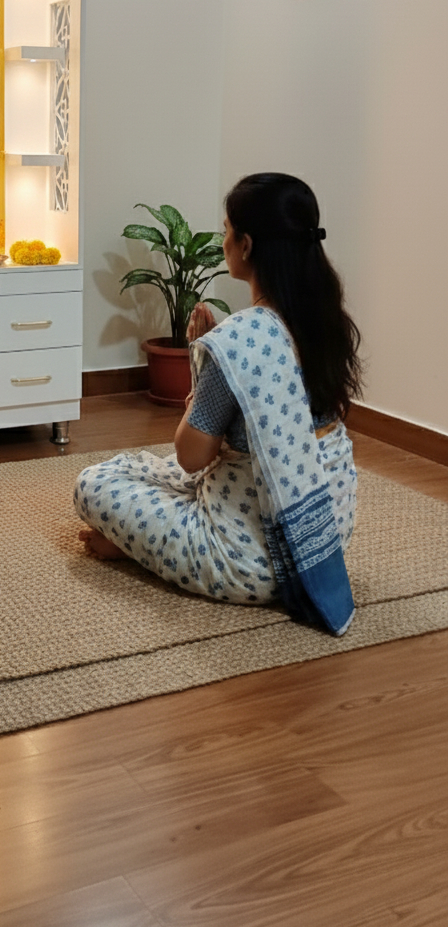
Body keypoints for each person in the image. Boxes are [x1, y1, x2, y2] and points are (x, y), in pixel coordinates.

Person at [75, 173, 363, 635]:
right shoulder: (326, 320)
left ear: (245, 245)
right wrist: (214, 360)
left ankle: (133, 549)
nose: (223, 239)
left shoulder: (239, 342)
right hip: (323, 540)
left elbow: (191, 457)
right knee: (144, 468)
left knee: (95, 483)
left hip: (244, 561)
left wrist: (209, 368)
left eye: (226, 230)